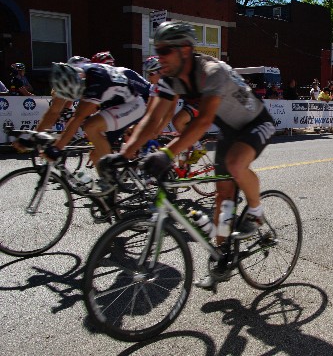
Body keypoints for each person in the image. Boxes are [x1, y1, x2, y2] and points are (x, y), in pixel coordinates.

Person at [100, 21, 276, 290]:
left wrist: (168, 154)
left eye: (163, 50)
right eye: (156, 50)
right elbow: (153, 119)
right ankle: (223, 258)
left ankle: (255, 211)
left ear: (184, 49)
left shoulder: (212, 71)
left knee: (236, 164)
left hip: (256, 121)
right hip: (231, 129)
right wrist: (125, 153)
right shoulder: (171, 79)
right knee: (222, 200)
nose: (159, 57)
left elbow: (204, 120)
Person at [43, 61, 148, 178]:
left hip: (133, 104)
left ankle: (112, 179)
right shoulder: (78, 73)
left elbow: (78, 118)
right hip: (115, 104)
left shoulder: (96, 80)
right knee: (95, 155)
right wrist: (31, 136)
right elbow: (54, 111)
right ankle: (108, 188)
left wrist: (57, 148)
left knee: (90, 126)